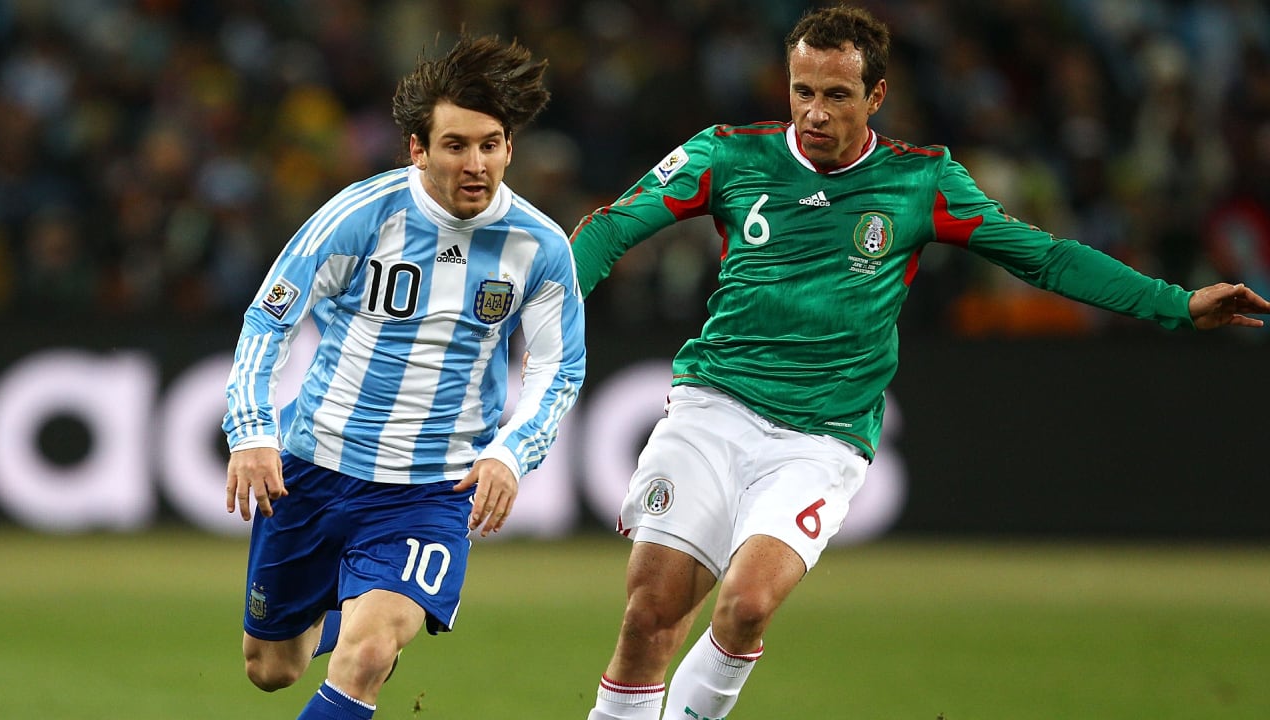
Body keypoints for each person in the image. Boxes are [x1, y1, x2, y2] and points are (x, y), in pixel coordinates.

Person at [569, 5, 1270, 720]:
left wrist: (1175, 304)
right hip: (713, 407)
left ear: (875, 96)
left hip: (820, 439)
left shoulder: (921, 182)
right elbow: (615, 225)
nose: (814, 112)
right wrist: (549, 314)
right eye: (802, 90)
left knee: (747, 605)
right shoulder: (728, 156)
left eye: (836, 95)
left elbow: (1046, 257)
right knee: (649, 614)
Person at [222, 34, 585, 720]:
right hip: (313, 467)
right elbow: (270, 320)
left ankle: (370, 611)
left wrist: (511, 452)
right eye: (455, 145)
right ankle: (348, 600)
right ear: (418, 149)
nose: (475, 164)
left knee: (368, 654)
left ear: (510, 146)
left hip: (429, 488)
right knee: (271, 667)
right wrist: (251, 431)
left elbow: (560, 367)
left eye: (490, 144)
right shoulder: (362, 214)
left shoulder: (538, 248)